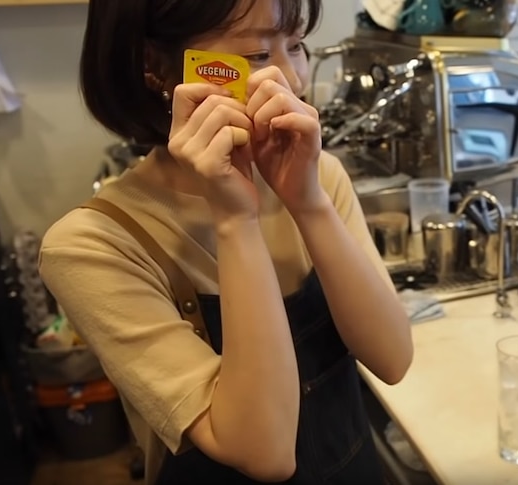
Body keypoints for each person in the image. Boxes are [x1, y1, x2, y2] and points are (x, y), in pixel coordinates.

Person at [38, 1, 413, 484]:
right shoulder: (91, 245)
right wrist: (237, 219)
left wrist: (310, 203)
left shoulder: (320, 178)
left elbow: (392, 358)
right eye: (257, 55)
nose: (292, 81)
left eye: (296, 46)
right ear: (154, 65)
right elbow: (265, 453)